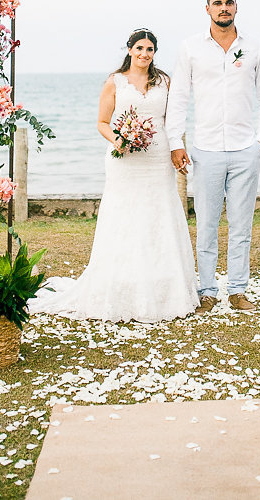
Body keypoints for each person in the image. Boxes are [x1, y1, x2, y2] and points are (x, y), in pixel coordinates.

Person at [29, 28, 199, 323]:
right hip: (125, 161)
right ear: (130, 50)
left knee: (160, 215)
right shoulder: (115, 82)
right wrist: (119, 138)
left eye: (150, 49)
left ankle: (164, 288)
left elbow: (172, 120)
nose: (144, 54)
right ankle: (122, 286)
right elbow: (102, 122)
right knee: (126, 216)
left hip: (157, 159)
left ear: (154, 53)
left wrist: (176, 148)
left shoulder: (165, 82)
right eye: (139, 48)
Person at [165, 0, 260, 313]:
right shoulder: (191, 48)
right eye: (218, 3)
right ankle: (208, 291)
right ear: (208, 9)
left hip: (246, 150)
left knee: (242, 225)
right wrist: (175, 142)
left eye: (229, 3)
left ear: (236, 8)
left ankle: (238, 291)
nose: (223, 8)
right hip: (206, 150)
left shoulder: (255, 47)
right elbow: (180, 97)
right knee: (207, 225)